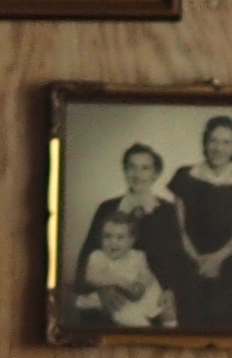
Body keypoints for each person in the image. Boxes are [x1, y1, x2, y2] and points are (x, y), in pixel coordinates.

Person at [65, 142, 178, 331]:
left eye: (145, 168)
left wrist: (170, 290)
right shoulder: (107, 208)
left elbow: (176, 257)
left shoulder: (168, 211)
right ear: (125, 170)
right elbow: (87, 255)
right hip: (111, 291)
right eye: (132, 167)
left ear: (155, 173)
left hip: (152, 295)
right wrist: (102, 290)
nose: (137, 174)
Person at [159, 117, 232, 314]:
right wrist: (198, 260)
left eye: (226, 143)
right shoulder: (184, 175)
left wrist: (216, 259)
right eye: (213, 141)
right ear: (206, 143)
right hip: (189, 259)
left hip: (228, 260)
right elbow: (179, 229)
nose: (218, 148)